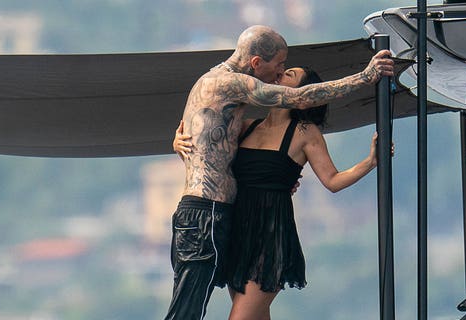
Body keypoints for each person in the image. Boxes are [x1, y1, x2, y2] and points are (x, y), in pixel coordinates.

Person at [166, 24, 393, 320]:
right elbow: (209, 141)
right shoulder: (241, 105)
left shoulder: (299, 130)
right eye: (281, 67)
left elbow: (330, 179)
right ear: (256, 63)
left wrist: (369, 161)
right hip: (226, 222)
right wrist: (365, 77)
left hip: (261, 230)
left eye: (288, 72)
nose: (279, 74)